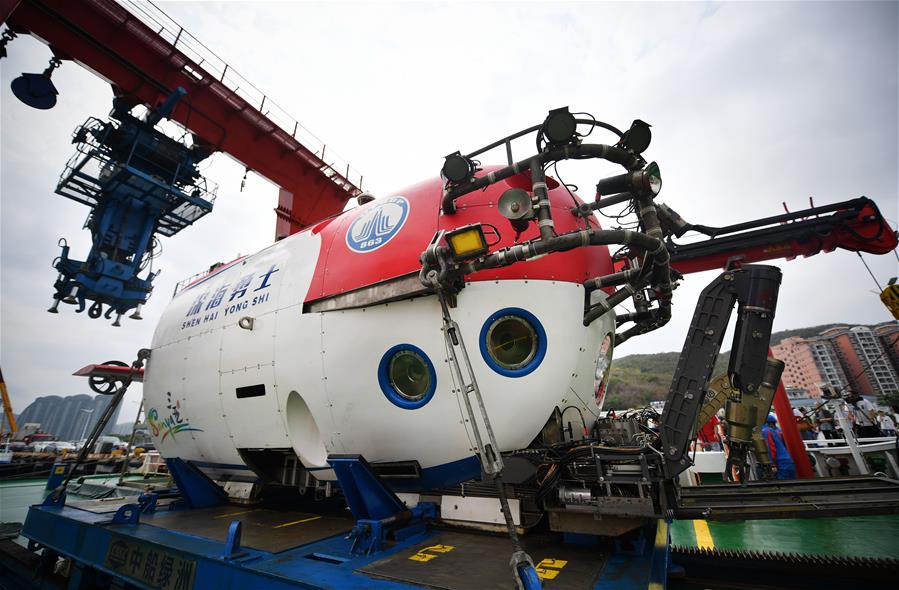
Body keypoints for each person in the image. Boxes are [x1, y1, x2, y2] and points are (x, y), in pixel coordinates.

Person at [761, 414, 796, 480]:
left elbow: (771, 449)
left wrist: (772, 464)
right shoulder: (778, 431)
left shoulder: (766, 431)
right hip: (787, 462)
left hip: (780, 465)